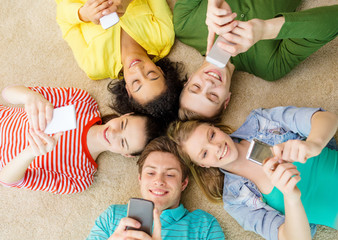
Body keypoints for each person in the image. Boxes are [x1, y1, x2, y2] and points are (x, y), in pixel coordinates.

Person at [168, 106, 338, 240]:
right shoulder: (236, 201)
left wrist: (313, 144)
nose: (216, 147)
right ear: (202, 165)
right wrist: (291, 198)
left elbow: (326, 118)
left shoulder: (260, 121)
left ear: (215, 128)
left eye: (211, 135)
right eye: (204, 154)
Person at [173, 0, 338, 120]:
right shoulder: (270, 67)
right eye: (213, 96)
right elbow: (333, 21)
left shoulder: (183, 25)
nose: (209, 83)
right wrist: (267, 29)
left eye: (196, 87)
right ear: (226, 100)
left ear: (187, 81)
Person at [0, 85, 164, 194]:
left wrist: (29, 154)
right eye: (122, 124)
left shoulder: (80, 177)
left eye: (123, 142)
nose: (113, 133)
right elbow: (7, 93)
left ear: (126, 154)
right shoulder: (82, 102)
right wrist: (30, 96)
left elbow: (7, 179)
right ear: (125, 115)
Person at [55, 0, 185, 121]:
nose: (138, 69)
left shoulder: (95, 66)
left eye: (136, 82)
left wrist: (83, 14)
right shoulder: (163, 36)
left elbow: (64, 20)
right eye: (151, 74)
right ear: (160, 71)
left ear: (127, 89)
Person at [86, 136, 225, 239]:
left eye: (170, 174)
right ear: (140, 179)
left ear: (184, 183)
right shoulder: (111, 217)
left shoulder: (204, 225)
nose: (159, 181)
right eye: (151, 173)